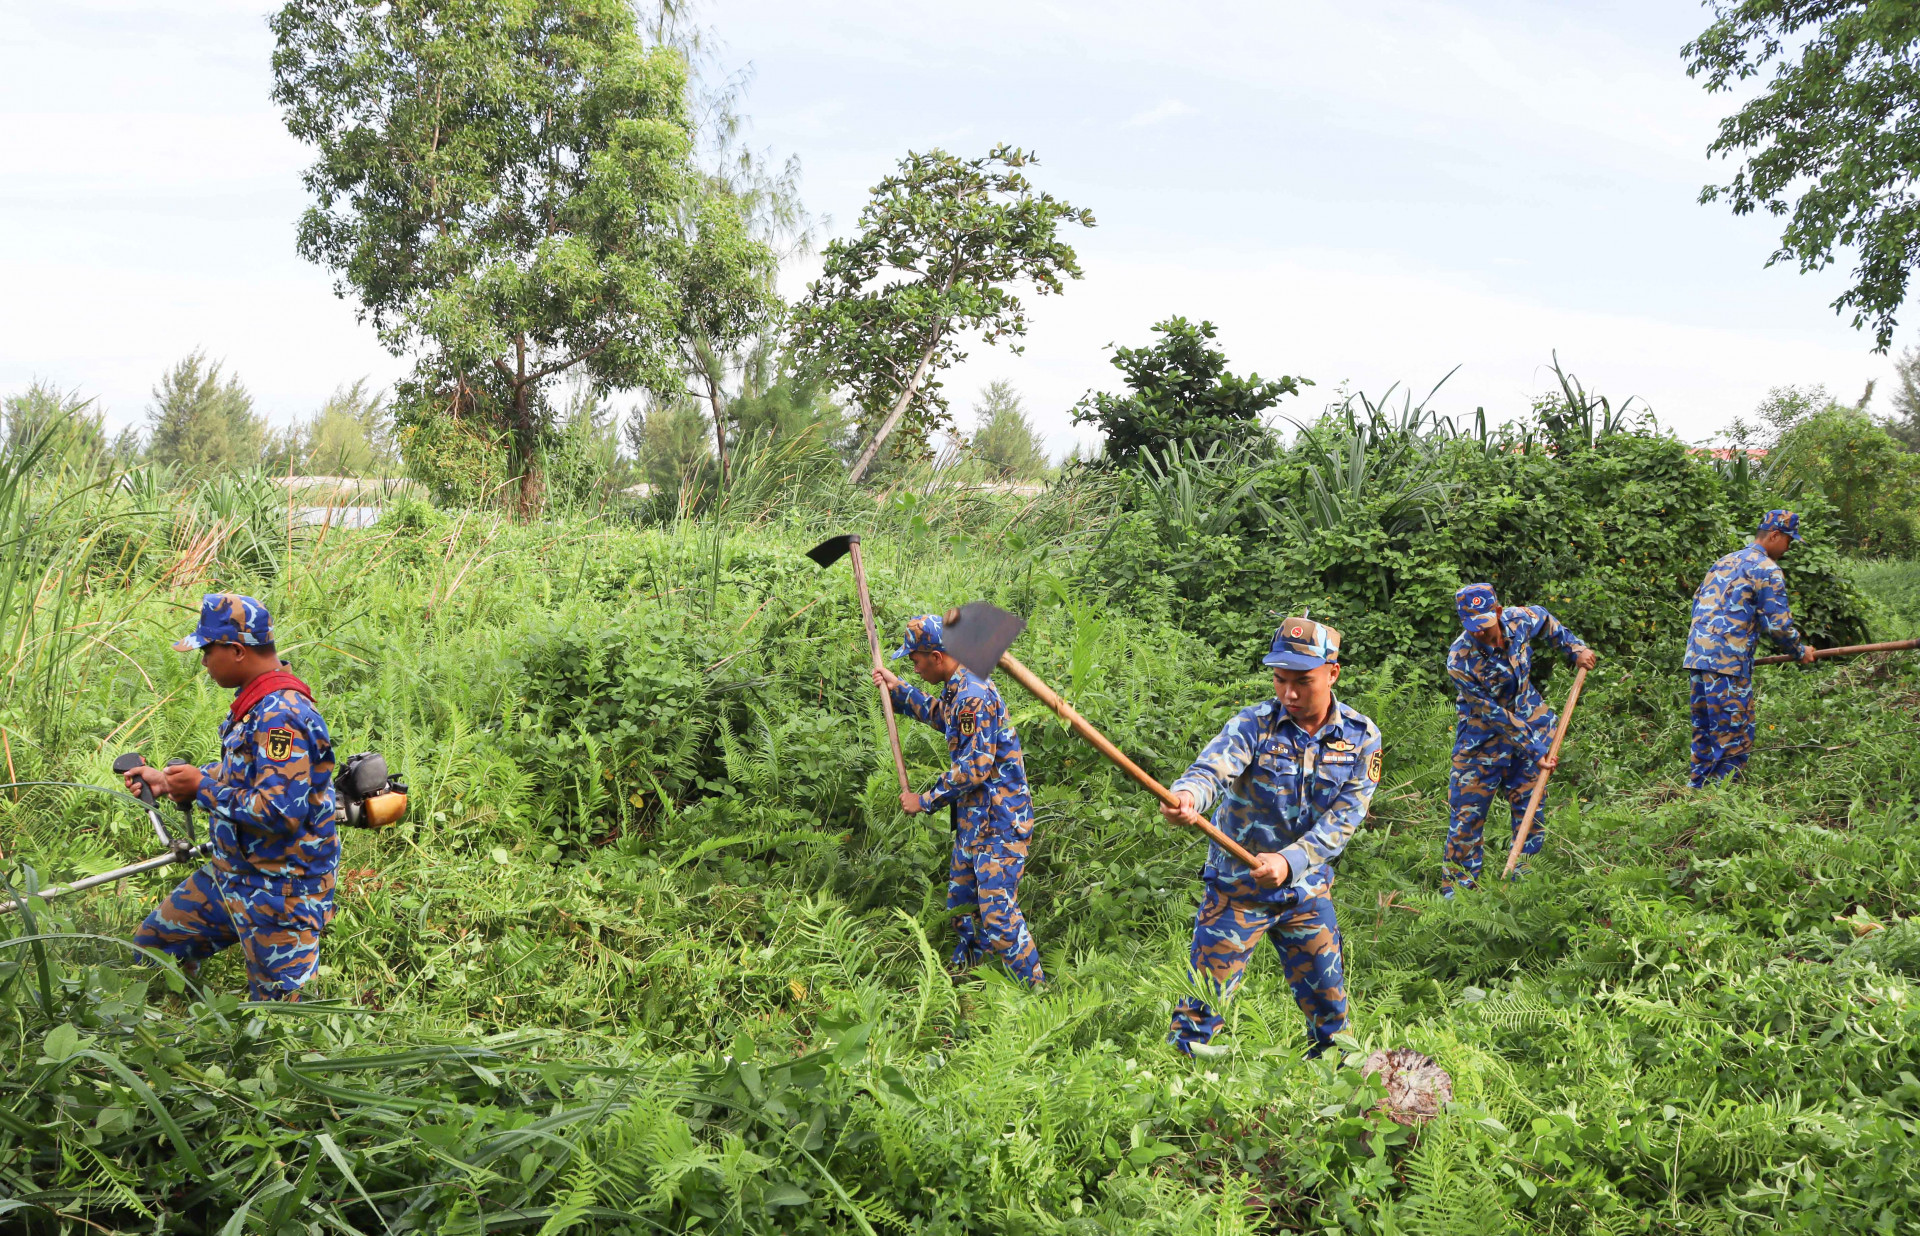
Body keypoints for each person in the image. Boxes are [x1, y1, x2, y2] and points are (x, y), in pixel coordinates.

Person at [1159, 617, 1380, 1057]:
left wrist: (1289, 861)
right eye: (1280, 680)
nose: (1289, 694)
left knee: (1331, 1016)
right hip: (1236, 893)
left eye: (1303, 682)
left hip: (1306, 895)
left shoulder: (1361, 739)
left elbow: (1343, 820)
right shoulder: (1254, 725)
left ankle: (1336, 1094)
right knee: (1200, 1010)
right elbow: (1212, 771)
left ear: (1332, 673)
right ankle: (1176, 1092)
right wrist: (1187, 797)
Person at [123, 594, 339, 1001]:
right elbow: (244, 776)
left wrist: (201, 789)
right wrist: (170, 782)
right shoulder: (256, 704)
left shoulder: (282, 716)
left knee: (279, 1023)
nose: (204, 662)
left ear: (236, 650)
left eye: (207, 650)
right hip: (231, 876)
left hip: (281, 891)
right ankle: (176, 1013)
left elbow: (280, 811)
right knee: (152, 948)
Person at [872, 614, 1044, 987]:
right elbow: (942, 716)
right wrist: (899, 690)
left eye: (915, 661)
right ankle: (971, 982)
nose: (914, 668)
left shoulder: (973, 695)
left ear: (936, 656)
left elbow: (974, 769)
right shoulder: (957, 687)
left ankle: (1036, 994)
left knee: (997, 917)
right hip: (974, 821)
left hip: (1000, 822)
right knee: (962, 906)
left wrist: (925, 799)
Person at [1442, 583, 1597, 896]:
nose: (1481, 634)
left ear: (1498, 612)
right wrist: (1535, 747)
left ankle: (1525, 885)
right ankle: (1458, 896)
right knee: (1466, 817)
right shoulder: (1459, 660)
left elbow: (1544, 618)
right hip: (1481, 740)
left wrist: (1575, 649)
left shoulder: (1518, 620)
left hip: (1530, 724)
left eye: (1486, 626)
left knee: (1530, 807)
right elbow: (1493, 714)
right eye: (1473, 628)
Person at [1684, 510, 1816, 787]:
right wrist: (1799, 651)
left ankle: (1696, 795)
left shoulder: (1723, 562)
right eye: (1788, 541)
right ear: (1775, 535)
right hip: (1728, 665)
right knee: (1734, 738)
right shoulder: (1767, 569)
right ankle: (1722, 806)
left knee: (1705, 735)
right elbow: (1778, 625)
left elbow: (1697, 604)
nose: (1788, 548)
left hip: (1697, 658)